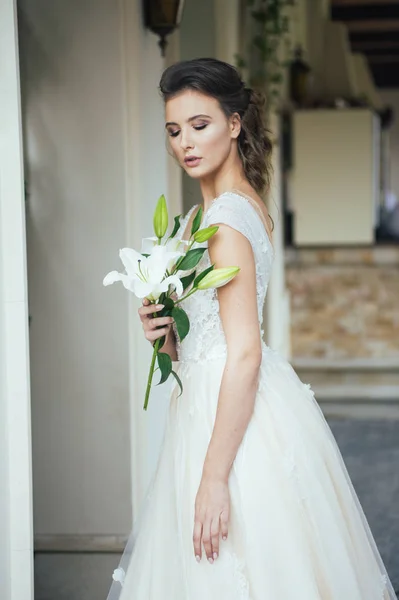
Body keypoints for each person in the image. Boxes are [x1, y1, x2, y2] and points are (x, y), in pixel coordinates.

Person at [106, 58, 396, 599]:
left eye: (200, 125)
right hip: (205, 408)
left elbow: (243, 354)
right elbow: (201, 341)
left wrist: (214, 478)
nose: (185, 142)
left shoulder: (225, 221)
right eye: (174, 130)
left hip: (233, 416)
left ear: (234, 124)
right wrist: (166, 334)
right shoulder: (206, 218)